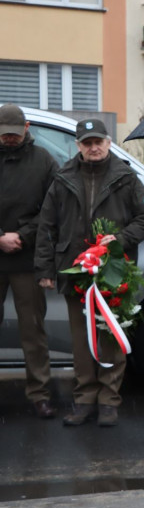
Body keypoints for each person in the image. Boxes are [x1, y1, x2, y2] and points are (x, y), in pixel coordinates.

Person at [35, 119, 144, 427]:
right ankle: (84, 399)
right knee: (81, 341)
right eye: (87, 143)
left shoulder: (126, 177)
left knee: (110, 337)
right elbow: (46, 227)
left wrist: (121, 239)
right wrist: (46, 269)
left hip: (113, 272)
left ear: (107, 142)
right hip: (76, 271)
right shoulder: (63, 178)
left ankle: (109, 401)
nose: (93, 147)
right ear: (78, 146)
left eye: (98, 141)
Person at [0, 104, 57, 419]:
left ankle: (39, 394)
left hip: (27, 257)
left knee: (33, 331)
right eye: (3, 135)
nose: (8, 139)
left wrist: (21, 234)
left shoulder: (44, 161)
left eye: (13, 134)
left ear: (27, 127)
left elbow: (52, 209)